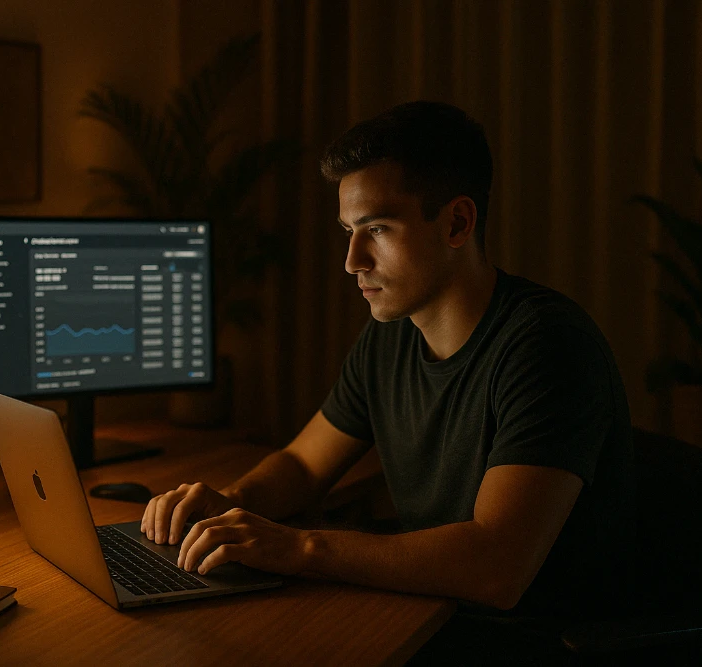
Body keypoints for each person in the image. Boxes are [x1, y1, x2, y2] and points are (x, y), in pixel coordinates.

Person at [140, 100, 636, 663]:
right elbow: (303, 465)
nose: (352, 260)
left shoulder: (547, 346)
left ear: (457, 223)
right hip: (434, 615)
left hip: (528, 643)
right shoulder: (391, 335)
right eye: (349, 231)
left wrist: (300, 546)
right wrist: (231, 506)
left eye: (377, 228)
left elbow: (497, 567)